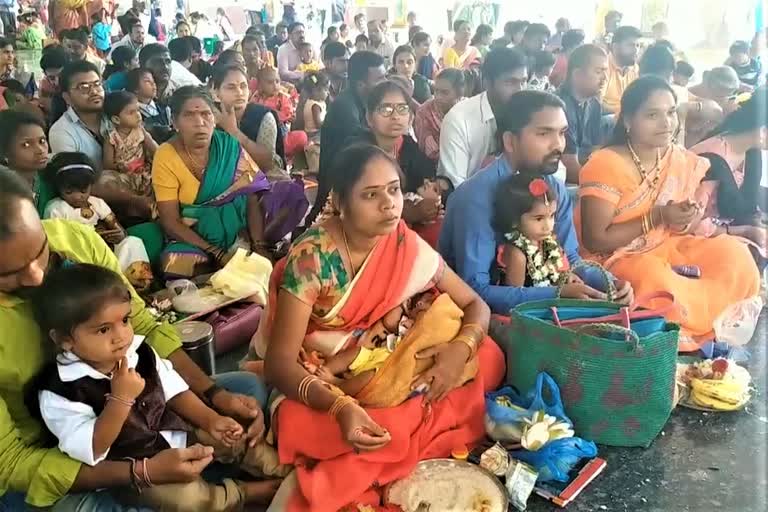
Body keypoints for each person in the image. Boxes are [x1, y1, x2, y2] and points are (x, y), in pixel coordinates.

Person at [0, 168, 271, 510]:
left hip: (148, 419)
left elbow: (147, 330)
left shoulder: (74, 238)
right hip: (61, 450)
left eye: (39, 251)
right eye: (7, 274)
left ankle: (207, 474)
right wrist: (140, 472)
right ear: (62, 340)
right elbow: (11, 462)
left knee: (247, 390)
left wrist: (213, 399)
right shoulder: (62, 396)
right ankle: (223, 490)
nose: (36, 276)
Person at [257, 143, 505, 512]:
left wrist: (460, 350)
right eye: (371, 195)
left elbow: (475, 304)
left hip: (389, 351)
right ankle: (398, 434)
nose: (389, 204)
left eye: (393, 189)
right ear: (340, 202)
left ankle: (398, 431)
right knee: (319, 422)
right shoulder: (312, 259)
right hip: (328, 373)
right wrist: (341, 408)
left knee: (490, 356)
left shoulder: (401, 238)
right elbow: (279, 365)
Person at [34, 263, 285, 509]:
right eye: (103, 330)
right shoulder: (61, 390)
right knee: (188, 500)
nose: (121, 335)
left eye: (124, 320)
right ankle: (239, 494)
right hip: (137, 472)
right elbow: (92, 449)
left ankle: (280, 468)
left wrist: (210, 420)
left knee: (232, 432)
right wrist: (120, 401)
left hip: (175, 432)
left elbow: (174, 391)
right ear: (64, 340)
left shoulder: (138, 351)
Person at [576, 76, 760, 351]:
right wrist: (659, 216)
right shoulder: (605, 163)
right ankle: (687, 325)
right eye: (652, 115)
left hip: (665, 243)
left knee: (735, 256)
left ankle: (703, 321)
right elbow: (595, 240)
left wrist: (685, 216)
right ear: (627, 121)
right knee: (654, 279)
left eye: (671, 112)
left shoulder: (675, 157)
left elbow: (678, 226)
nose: (666, 123)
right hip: (616, 257)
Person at [440, 90, 631, 313]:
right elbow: (475, 289)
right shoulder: (475, 198)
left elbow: (570, 257)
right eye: (544, 134)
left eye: (562, 133)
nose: (558, 145)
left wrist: (610, 282)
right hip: (480, 313)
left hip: (544, 298)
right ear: (510, 141)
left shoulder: (554, 187)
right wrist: (556, 295)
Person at [153, 86, 302, 278]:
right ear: (175, 121)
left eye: (206, 114)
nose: (200, 122)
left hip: (240, 227)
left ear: (214, 119)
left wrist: (259, 244)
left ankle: (251, 252)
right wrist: (216, 252)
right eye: (189, 115)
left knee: (288, 193)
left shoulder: (227, 144)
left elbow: (251, 194)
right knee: (172, 264)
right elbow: (170, 220)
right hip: (197, 236)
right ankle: (230, 262)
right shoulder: (165, 155)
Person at [41, 154, 153, 290]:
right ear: (59, 188)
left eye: (83, 191)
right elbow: (58, 244)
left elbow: (117, 228)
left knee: (133, 241)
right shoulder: (56, 208)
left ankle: (134, 286)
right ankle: (113, 289)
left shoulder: (97, 203)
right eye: (69, 191)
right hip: (81, 258)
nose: (77, 197)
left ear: (91, 186)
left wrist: (119, 235)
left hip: (106, 251)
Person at [308, 51, 386, 224]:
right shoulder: (344, 108)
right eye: (379, 79)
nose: (385, 84)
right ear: (360, 84)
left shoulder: (363, 102)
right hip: (338, 190)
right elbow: (364, 147)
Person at [438, 48, 528, 187]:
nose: (520, 90)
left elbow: (555, 169)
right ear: (486, 83)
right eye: (510, 82)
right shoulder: (459, 120)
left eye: (523, 81)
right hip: (472, 203)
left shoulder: (530, 113)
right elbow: (456, 186)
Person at [691, 91, 767, 251]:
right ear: (762, 131)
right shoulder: (709, 159)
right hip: (696, 235)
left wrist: (755, 225)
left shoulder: (751, 150)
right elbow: (692, 223)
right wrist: (742, 231)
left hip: (727, 226)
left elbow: (748, 199)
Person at [212, 64, 304, 179]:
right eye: (231, 87)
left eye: (243, 86)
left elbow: (266, 165)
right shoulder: (209, 117)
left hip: (261, 182)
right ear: (216, 92)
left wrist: (234, 132)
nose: (239, 92)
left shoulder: (263, 117)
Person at [493, 174, 570, 287]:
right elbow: (516, 297)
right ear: (514, 220)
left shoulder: (551, 244)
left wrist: (570, 278)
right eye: (539, 218)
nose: (548, 226)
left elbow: (563, 276)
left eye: (552, 216)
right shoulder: (517, 254)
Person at [558, 44, 609, 183]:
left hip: (584, 172)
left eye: (605, 71)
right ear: (577, 74)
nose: (605, 78)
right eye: (598, 72)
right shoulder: (559, 108)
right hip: (563, 181)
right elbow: (569, 167)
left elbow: (597, 151)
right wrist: (603, 185)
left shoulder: (594, 104)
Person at [48, 61, 110, 172]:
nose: (94, 92)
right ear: (67, 97)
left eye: (97, 84)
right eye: (84, 87)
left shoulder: (115, 115)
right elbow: (74, 179)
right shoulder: (61, 131)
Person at [102, 90, 158, 197]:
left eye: (138, 110)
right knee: (107, 181)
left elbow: (155, 149)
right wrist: (120, 167)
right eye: (131, 112)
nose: (138, 115)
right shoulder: (111, 138)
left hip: (144, 170)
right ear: (116, 119)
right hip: (124, 175)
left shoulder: (140, 131)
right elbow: (107, 165)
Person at [414, 68, 465, 164]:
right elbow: (431, 153)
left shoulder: (468, 109)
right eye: (436, 91)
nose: (438, 97)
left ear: (459, 94)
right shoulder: (424, 113)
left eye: (445, 92)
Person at [0, 109, 49, 193]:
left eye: (42, 141)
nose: (40, 150)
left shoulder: (53, 180)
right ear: (4, 151)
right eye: (26, 144)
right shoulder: (4, 192)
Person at [601, 25, 642, 113]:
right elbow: (597, 104)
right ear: (615, 47)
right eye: (631, 45)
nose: (636, 50)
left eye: (638, 45)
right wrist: (624, 111)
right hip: (606, 118)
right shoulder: (603, 66)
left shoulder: (635, 68)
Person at [126, 67, 172, 143]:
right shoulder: (134, 114)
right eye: (147, 81)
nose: (153, 84)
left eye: (153, 81)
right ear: (135, 89)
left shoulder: (165, 108)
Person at [299, 71, 330, 138]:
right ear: (316, 90)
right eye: (326, 90)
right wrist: (329, 121)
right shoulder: (315, 106)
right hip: (314, 134)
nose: (328, 92)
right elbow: (318, 125)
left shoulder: (319, 102)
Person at [39, 46, 67, 116]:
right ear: (45, 74)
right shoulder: (44, 89)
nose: (57, 82)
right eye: (52, 78)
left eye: (60, 76)